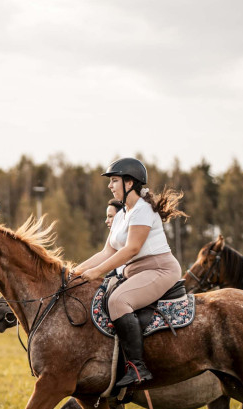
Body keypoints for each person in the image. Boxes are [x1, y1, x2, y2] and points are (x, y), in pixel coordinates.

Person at [73, 157, 187, 388]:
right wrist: (75, 271)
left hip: (160, 269)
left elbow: (132, 249)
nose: (109, 185)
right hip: (138, 271)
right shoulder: (123, 213)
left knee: (119, 301)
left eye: (114, 180)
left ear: (129, 183)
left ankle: (137, 368)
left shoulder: (142, 210)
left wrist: (96, 273)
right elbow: (106, 252)